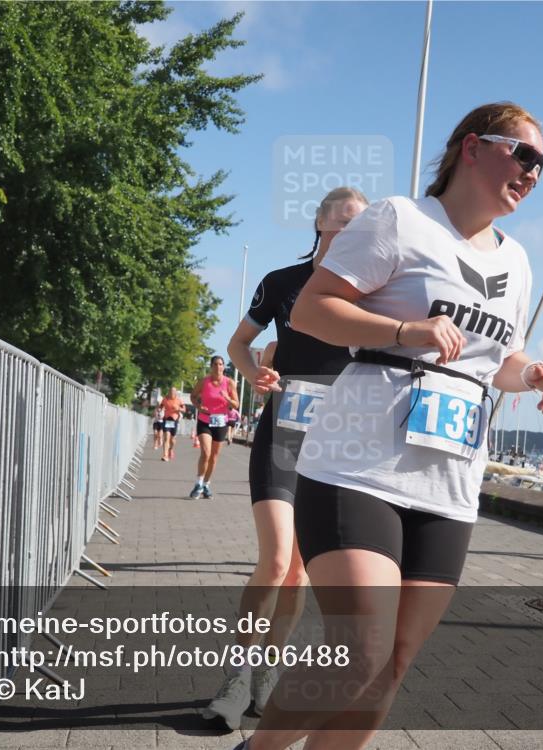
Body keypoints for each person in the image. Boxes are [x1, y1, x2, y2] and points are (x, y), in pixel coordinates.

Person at [235, 102, 543, 750]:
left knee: (391, 664)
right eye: (523, 155)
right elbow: (312, 311)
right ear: (472, 148)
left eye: (542, 166)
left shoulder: (518, 263)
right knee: (360, 649)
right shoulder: (400, 220)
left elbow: (497, 359)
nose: (533, 174)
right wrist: (401, 330)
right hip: (359, 466)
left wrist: (532, 375)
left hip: (448, 483)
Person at [204, 188, 367, 729]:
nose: (348, 234)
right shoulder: (281, 283)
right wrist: (256, 374)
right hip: (283, 434)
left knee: (297, 572)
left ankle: (265, 675)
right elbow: (238, 345)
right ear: (319, 223)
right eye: (341, 223)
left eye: (359, 228)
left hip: (335, 444)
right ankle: (235, 678)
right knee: (276, 560)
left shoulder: (372, 293)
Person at [189, 356, 240, 499]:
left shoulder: (229, 383)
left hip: (221, 422)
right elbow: (193, 396)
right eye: (216, 364)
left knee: (214, 457)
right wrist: (199, 406)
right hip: (205, 420)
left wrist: (227, 398)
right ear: (211, 366)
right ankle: (198, 483)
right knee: (205, 452)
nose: (218, 367)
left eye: (221, 364)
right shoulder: (204, 382)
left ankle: (206, 484)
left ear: (223, 367)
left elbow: (236, 404)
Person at [160, 387, 185, 462]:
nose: (171, 393)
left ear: (175, 393)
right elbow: (161, 406)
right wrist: (160, 409)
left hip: (174, 420)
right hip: (167, 419)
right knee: (166, 437)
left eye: (173, 392)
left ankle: (171, 449)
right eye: (170, 391)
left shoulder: (179, 400)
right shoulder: (165, 399)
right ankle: (165, 455)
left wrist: (178, 409)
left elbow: (184, 409)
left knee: (172, 439)